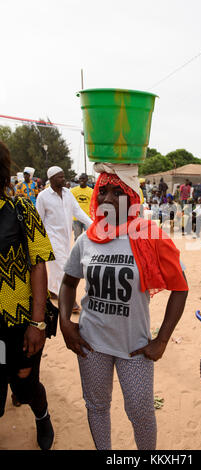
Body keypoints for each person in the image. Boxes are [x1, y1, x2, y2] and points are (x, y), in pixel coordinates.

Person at [58, 168, 188, 450]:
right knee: (97, 406)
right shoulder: (86, 239)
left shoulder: (149, 236)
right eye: (103, 191)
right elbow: (68, 283)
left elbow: (180, 286)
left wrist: (162, 340)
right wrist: (65, 323)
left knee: (141, 412)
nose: (107, 198)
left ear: (133, 198)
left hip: (135, 348)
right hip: (91, 344)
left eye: (118, 192)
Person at [0, 141, 55, 450]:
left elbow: (38, 264)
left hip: (19, 321)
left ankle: (42, 415)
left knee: (24, 383)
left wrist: (38, 323)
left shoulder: (21, 209)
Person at [36, 166, 92, 306]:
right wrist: (39, 241)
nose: (63, 179)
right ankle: (68, 300)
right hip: (51, 237)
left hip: (66, 237)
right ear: (51, 179)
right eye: (60, 177)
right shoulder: (43, 196)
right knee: (62, 266)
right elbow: (39, 220)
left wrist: (93, 225)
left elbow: (78, 212)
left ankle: (52, 290)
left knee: (58, 266)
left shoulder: (68, 193)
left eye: (63, 176)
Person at [70, 173, 94, 241]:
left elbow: (94, 204)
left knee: (89, 237)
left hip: (87, 217)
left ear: (86, 180)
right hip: (76, 218)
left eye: (83, 178)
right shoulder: (73, 191)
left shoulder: (91, 191)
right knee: (77, 237)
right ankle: (77, 251)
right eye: (80, 178)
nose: (81, 180)